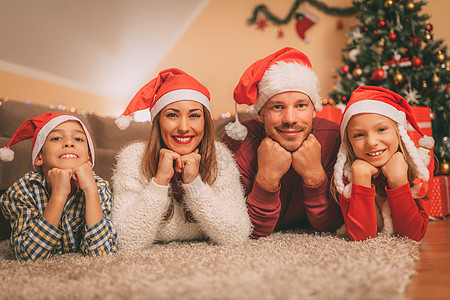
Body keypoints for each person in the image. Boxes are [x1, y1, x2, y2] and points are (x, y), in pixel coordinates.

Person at [111, 68, 252, 250]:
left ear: (205, 121)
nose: (184, 127)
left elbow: (236, 234)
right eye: (172, 115)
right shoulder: (133, 156)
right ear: (158, 121)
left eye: (194, 115)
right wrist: (159, 182)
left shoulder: (220, 155)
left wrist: (194, 183)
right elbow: (125, 241)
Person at [221, 47, 344, 238]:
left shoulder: (333, 138)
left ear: (314, 110)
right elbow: (249, 230)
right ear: (261, 114)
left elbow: (330, 226)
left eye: (301, 105)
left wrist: (314, 175)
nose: (290, 119)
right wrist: (267, 177)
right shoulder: (238, 144)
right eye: (278, 107)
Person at [0, 113, 117, 261]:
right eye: (56, 138)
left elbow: (102, 253)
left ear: (89, 158)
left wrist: (91, 191)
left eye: (78, 139)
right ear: (39, 156)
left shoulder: (99, 187)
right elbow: (28, 256)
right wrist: (58, 195)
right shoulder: (23, 190)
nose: (69, 143)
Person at [333, 86, 434, 241]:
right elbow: (361, 237)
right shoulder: (347, 170)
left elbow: (413, 235)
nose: (372, 142)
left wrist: (398, 179)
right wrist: (360, 177)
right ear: (348, 143)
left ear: (398, 132)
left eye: (381, 129)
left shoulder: (421, 163)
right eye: (359, 135)